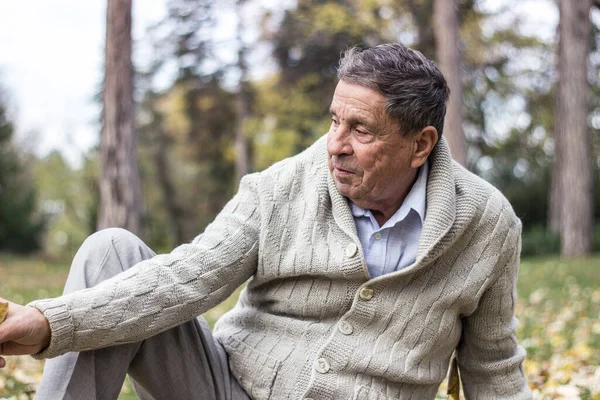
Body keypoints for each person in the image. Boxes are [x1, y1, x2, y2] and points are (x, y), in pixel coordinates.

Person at [0, 43, 532, 400]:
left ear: (421, 145)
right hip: (230, 387)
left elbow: (493, 364)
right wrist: (53, 322)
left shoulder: (486, 225)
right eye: (333, 120)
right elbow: (187, 277)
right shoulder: (280, 188)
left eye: (361, 130)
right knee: (110, 251)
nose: (336, 146)